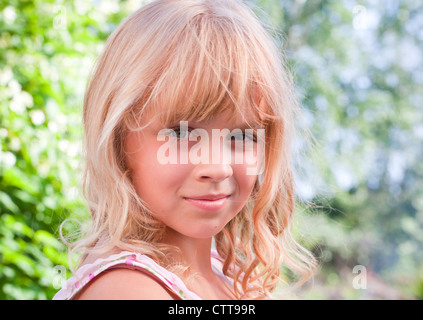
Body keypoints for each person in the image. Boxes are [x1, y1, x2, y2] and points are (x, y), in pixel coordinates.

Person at [53, 0, 316, 300]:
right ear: (118, 139)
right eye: (182, 133)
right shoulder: (126, 289)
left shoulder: (225, 279)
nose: (218, 167)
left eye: (242, 136)